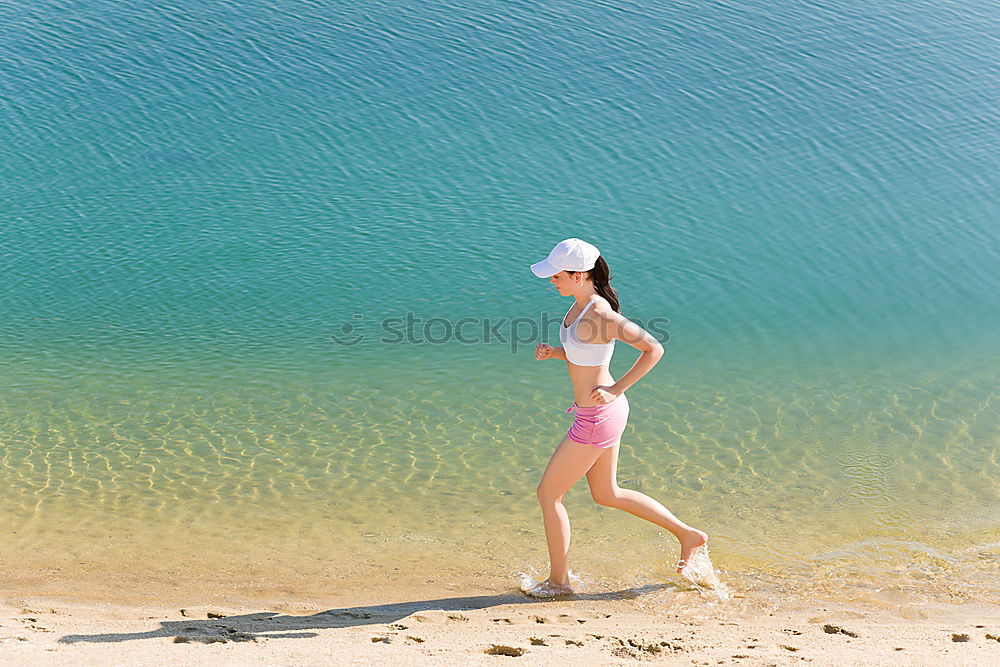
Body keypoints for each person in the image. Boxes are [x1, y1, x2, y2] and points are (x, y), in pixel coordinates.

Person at [526, 238, 708, 597]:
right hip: (595, 413)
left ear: (579, 276)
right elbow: (587, 354)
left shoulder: (600, 314)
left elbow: (653, 348)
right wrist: (557, 354)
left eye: (557, 275)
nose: (552, 281)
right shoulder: (578, 308)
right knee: (607, 493)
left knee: (549, 495)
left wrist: (617, 388)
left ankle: (558, 582)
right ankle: (689, 536)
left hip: (598, 416)